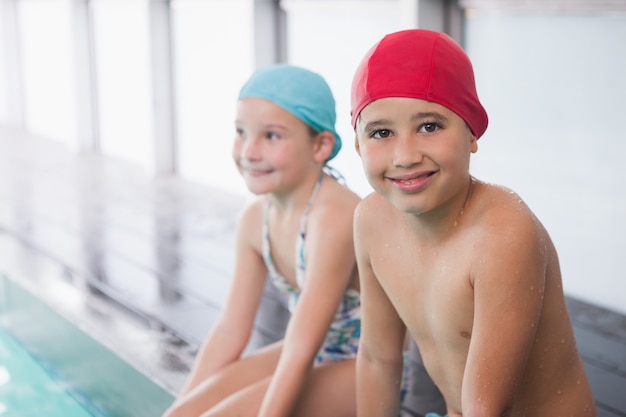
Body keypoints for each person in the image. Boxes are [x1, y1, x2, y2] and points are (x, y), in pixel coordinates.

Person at [351, 29, 597, 417]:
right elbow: (378, 360)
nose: (405, 155)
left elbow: (485, 408)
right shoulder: (371, 221)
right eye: (381, 132)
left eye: (429, 126)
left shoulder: (502, 235)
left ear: (471, 131)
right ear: (358, 145)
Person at [162, 64, 361, 417]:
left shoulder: (333, 218)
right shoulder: (255, 219)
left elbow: (301, 347)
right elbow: (229, 330)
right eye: (241, 132)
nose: (249, 151)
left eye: (271, 136)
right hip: (313, 351)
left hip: (369, 366)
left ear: (320, 145)